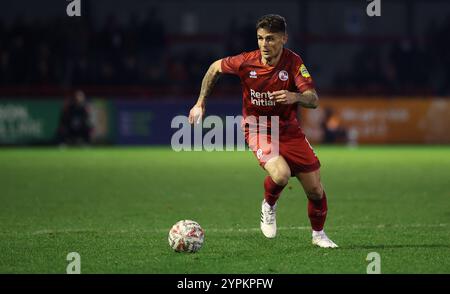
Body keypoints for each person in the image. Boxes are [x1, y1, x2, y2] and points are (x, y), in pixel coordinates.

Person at [188, 14, 338, 248]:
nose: (264, 45)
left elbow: (313, 99)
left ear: (283, 39)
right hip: (257, 127)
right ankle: (268, 205)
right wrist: (200, 102)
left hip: (289, 130)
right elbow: (215, 67)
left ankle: (319, 235)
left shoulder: (294, 62)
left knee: (316, 190)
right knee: (281, 174)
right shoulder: (247, 61)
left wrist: (294, 96)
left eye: (270, 39)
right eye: (260, 39)